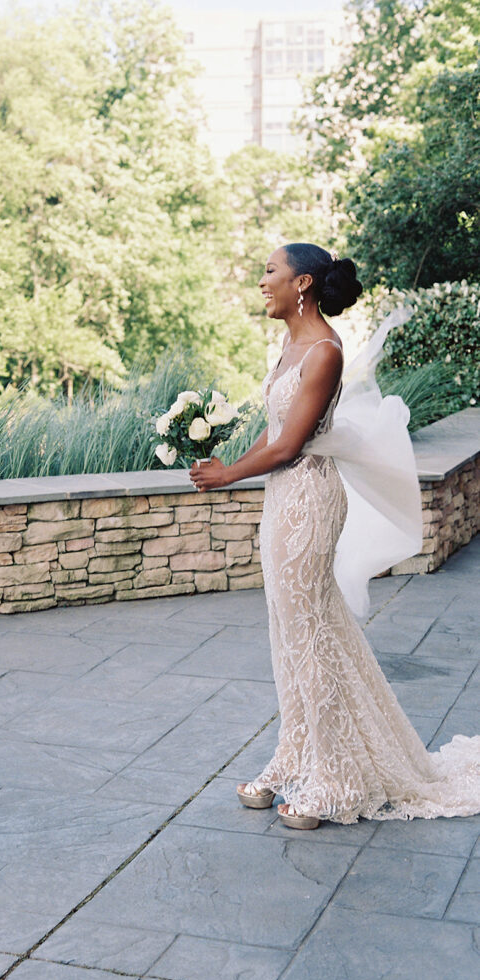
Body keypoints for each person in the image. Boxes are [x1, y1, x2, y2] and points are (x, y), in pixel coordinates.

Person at [190, 243, 480, 829]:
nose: (261, 281)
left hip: (310, 502)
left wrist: (227, 476)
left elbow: (290, 446)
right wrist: (226, 469)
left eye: (270, 271)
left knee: (310, 637)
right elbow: (273, 433)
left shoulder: (323, 351)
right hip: (282, 500)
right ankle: (292, 757)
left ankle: (336, 780)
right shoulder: (290, 345)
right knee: (288, 633)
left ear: (301, 284)